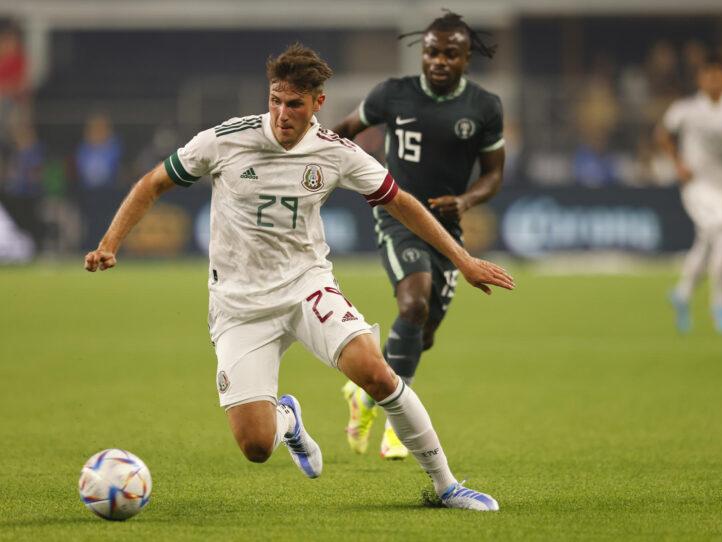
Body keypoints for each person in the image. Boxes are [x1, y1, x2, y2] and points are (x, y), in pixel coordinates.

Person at [84, 43, 514, 511]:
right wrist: (110, 242)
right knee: (256, 447)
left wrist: (463, 258)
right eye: (275, 100)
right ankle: (286, 420)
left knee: (376, 373)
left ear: (317, 104)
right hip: (238, 304)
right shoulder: (225, 140)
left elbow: (401, 202)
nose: (282, 113)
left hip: (305, 286)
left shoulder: (336, 153)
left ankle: (447, 486)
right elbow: (153, 183)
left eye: (294, 103)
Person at [332, 11, 505, 460]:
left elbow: (493, 175)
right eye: (432, 52)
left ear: (467, 58)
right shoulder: (393, 94)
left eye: (451, 53)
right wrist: (328, 172)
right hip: (397, 215)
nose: (439, 60)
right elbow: (343, 133)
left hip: (447, 229)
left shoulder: (485, 107)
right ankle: (398, 421)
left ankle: (364, 396)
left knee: (422, 333)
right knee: (413, 302)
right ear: (422, 53)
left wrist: (466, 201)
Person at [656, 54, 722, 335]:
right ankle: (721, 305)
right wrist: (678, 163)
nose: (713, 80)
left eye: (719, 74)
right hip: (698, 187)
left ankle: (681, 294)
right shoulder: (686, 109)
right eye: (708, 75)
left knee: (708, 242)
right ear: (700, 78)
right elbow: (663, 134)